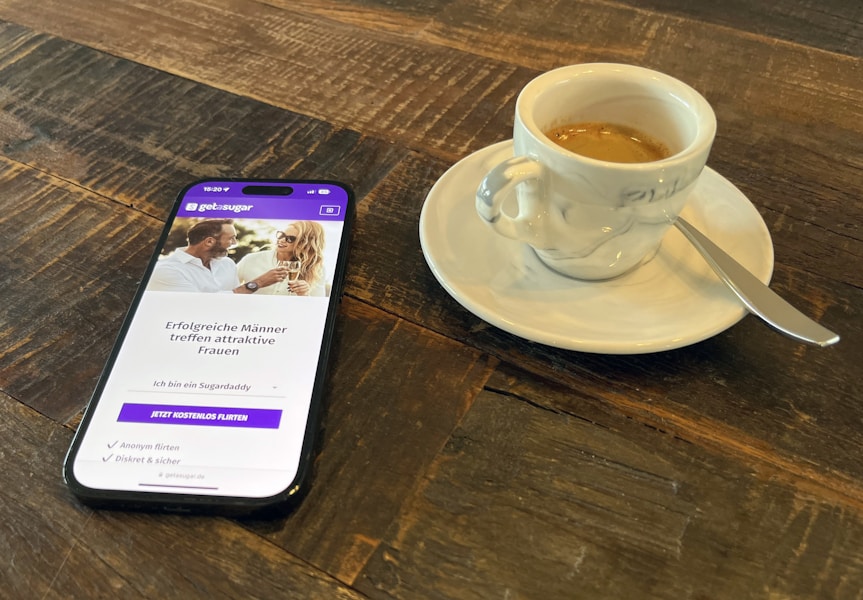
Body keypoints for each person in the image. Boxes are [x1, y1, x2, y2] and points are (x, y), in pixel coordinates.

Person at [148, 219, 286, 293]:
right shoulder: (166, 269)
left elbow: (236, 300)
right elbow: (198, 306)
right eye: (231, 239)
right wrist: (258, 283)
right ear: (209, 242)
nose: (234, 243)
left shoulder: (227, 264)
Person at [236, 221, 327, 296]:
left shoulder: (317, 270)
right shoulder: (251, 260)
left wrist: (304, 295)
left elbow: (317, 307)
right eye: (281, 235)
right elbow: (230, 292)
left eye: (290, 238)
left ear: (304, 243)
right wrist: (258, 282)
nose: (282, 240)